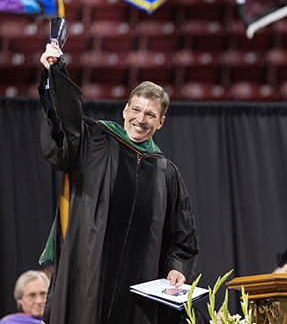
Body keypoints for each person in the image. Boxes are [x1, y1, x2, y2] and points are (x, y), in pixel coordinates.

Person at [37, 43, 199, 324]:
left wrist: (176, 268)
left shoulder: (166, 172)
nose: (140, 119)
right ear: (125, 110)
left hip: (139, 289)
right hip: (89, 276)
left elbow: (180, 238)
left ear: (160, 122)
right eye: (136, 110)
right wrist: (55, 72)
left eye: (150, 115)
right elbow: (66, 124)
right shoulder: (96, 142)